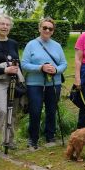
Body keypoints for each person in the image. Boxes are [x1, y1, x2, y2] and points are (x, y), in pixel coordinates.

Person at [22, 17, 67, 150]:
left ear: (53, 31)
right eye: (45, 27)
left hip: (54, 83)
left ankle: (50, 135)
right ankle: (33, 138)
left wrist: (56, 69)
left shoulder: (57, 46)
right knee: (35, 111)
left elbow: (64, 63)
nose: (47, 30)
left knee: (51, 110)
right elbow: (24, 64)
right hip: (34, 83)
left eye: (50, 28)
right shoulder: (31, 44)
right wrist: (40, 67)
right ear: (39, 28)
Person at [0, 14, 22, 157]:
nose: (5, 27)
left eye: (7, 25)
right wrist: (4, 69)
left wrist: (15, 68)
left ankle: (9, 140)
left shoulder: (13, 43)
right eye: (2, 24)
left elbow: (17, 60)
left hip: (13, 81)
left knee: (12, 112)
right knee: (1, 110)